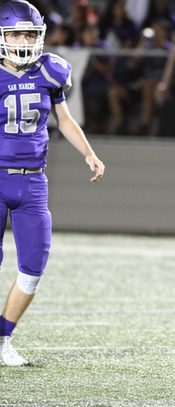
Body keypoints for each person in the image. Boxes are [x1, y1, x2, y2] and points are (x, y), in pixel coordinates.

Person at [0, 0, 105, 367]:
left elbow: (64, 119)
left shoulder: (51, 70)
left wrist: (89, 154)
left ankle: (2, 338)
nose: (25, 40)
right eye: (16, 33)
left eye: (30, 32)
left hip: (33, 182)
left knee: (34, 264)